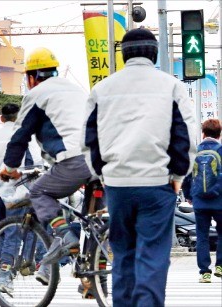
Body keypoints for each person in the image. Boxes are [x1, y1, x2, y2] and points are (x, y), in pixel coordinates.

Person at [81, 28, 197, 306]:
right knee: (152, 258)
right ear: (154, 53)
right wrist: (178, 175)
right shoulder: (171, 86)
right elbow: (187, 136)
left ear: (123, 55)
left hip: (117, 185)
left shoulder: (102, 89)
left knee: (123, 256)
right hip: (158, 184)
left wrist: (103, 174)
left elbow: (88, 140)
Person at [0, 48, 91, 267]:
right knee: (92, 222)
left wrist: (10, 168)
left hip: (73, 160)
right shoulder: (77, 90)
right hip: (102, 160)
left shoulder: (37, 94)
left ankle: (64, 236)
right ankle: (94, 278)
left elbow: (20, 136)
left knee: (39, 192)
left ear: (32, 77)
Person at [182, 119, 222, 283]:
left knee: (202, 236)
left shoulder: (194, 152)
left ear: (203, 133)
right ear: (219, 135)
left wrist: (189, 196)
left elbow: (186, 177)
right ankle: (220, 265)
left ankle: (205, 272)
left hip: (200, 201)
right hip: (220, 200)